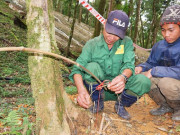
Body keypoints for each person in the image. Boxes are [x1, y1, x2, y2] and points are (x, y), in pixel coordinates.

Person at [69, 10, 151, 120]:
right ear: (104, 23)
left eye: (117, 34)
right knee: (91, 67)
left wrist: (123, 77)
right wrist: (81, 90)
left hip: (120, 90)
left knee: (144, 81)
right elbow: (77, 69)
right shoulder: (92, 44)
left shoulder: (126, 42)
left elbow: (129, 65)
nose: (111, 37)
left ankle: (120, 105)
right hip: (98, 89)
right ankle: (98, 103)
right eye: (109, 31)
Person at [135, 4, 180, 121]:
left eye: (171, 30)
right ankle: (165, 105)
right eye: (163, 30)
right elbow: (151, 63)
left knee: (166, 83)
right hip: (168, 81)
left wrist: (154, 71)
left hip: (174, 83)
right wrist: (141, 67)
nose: (166, 35)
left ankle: (178, 108)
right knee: (143, 79)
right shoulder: (159, 45)